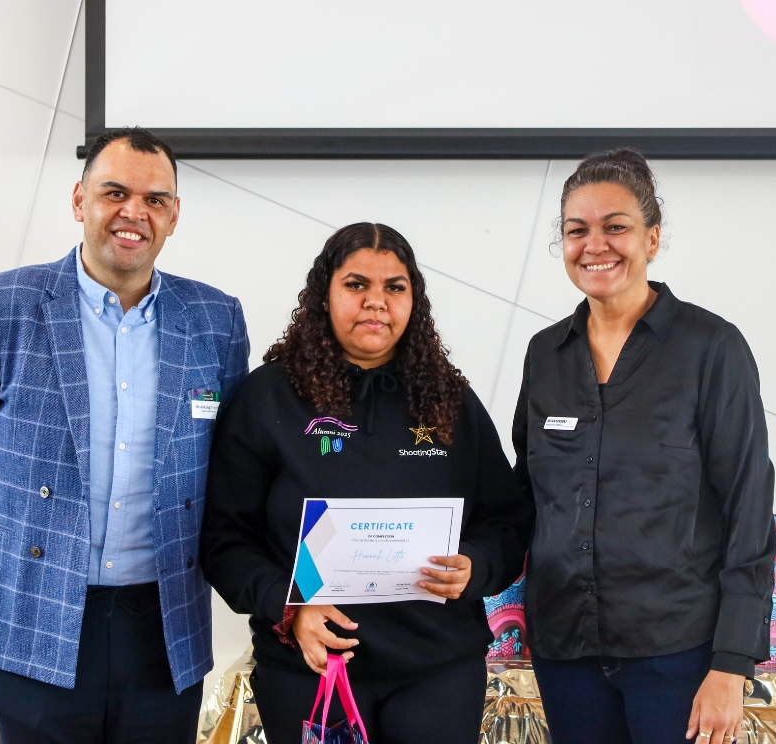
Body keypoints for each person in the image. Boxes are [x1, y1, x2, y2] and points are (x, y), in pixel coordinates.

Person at [0, 127, 249, 743]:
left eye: (155, 200)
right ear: (79, 201)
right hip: (35, 609)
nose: (134, 213)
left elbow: (231, 466)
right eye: (115, 192)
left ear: (174, 216)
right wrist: (20, 543)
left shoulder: (216, 320)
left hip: (165, 621)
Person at [201, 223, 533, 744]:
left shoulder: (450, 401)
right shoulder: (267, 398)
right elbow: (224, 540)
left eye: (394, 288)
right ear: (324, 294)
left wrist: (477, 565)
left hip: (437, 667)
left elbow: (507, 521)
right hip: (309, 667)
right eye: (356, 285)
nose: (376, 302)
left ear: (413, 301)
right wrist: (289, 607)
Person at [513, 149, 776, 744]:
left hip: (678, 653)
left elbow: (747, 506)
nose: (595, 245)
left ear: (652, 238)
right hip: (566, 650)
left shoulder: (712, 347)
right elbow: (525, 493)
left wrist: (732, 663)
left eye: (617, 227)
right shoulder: (544, 355)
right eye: (576, 230)